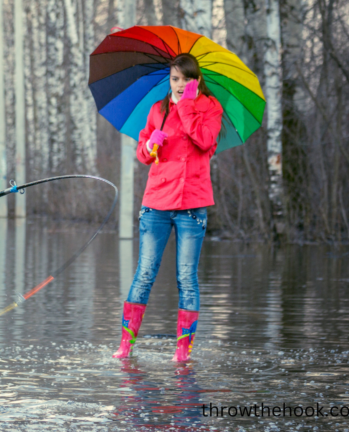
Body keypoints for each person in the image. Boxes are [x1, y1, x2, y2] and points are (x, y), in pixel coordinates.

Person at [113, 54, 223, 362]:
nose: (179, 85)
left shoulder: (210, 108)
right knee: (145, 273)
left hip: (193, 204)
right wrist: (150, 146)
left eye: (186, 79)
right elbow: (143, 153)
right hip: (156, 203)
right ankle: (125, 346)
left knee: (187, 277)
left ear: (196, 80)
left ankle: (182, 352)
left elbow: (204, 141)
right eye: (174, 79)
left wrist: (186, 106)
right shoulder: (157, 109)